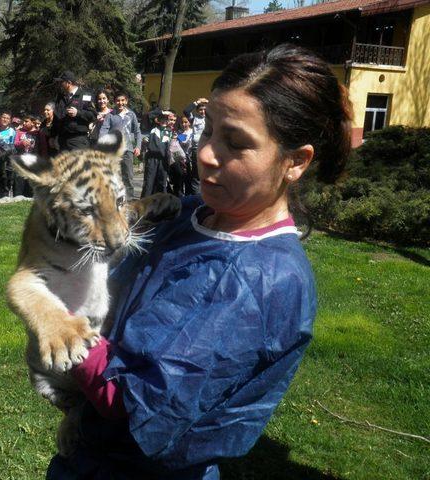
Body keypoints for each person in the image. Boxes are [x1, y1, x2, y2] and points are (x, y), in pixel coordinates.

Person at [47, 44, 353, 479]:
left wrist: (58, 317)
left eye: (236, 143)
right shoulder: (187, 214)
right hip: (88, 454)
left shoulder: (260, 278)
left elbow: (137, 402)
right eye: (208, 131)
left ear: (295, 162)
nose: (207, 153)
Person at [99, 92, 142, 199]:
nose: (120, 103)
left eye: (123, 100)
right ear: (114, 102)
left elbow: (137, 132)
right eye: (118, 100)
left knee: (128, 176)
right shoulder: (110, 115)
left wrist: (138, 146)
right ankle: (115, 200)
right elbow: (103, 130)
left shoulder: (131, 115)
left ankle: (130, 200)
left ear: (126, 101)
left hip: (128, 150)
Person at [52, 71, 96, 151]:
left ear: (68, 83)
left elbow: (93, 116)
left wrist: (78, 113)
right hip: (62, 141)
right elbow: (56, 118)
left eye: (61, 82)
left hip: (78, 140)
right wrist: (53, 136)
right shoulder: (60, 98)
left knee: (78, 163)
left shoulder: (85, 96)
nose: (59, 85)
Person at [140, 109, 172, 198]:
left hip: (163, 160)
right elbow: (149, 114)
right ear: (157, 120)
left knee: (162, 182)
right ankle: (145, 203)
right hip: (152, 159)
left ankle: (161, 204)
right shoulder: (152, 128)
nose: (164, 121)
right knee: (149, 182)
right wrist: (163, 112)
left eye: (166, 119)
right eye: (162, 118)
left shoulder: (170, 131)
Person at [183, 97, 209, 195]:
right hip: (197, 149)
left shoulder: (212, 118)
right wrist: (197, 102)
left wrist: (210, 102)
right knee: (197, 175)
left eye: (205, 109)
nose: (203, 111)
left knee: (207, 174)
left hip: (208, 149)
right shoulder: (194, 119)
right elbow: (186, 111)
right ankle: (196, 198)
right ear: (197, 110)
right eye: (200, 109)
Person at [0, 110, 16, 199]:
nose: (5, 119)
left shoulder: (12, 131)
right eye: (3, 117)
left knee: (5, 183)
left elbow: (12, 147)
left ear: (10, 120)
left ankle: (5, 200)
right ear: (0, 118)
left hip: (6, 163)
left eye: (7, 118)